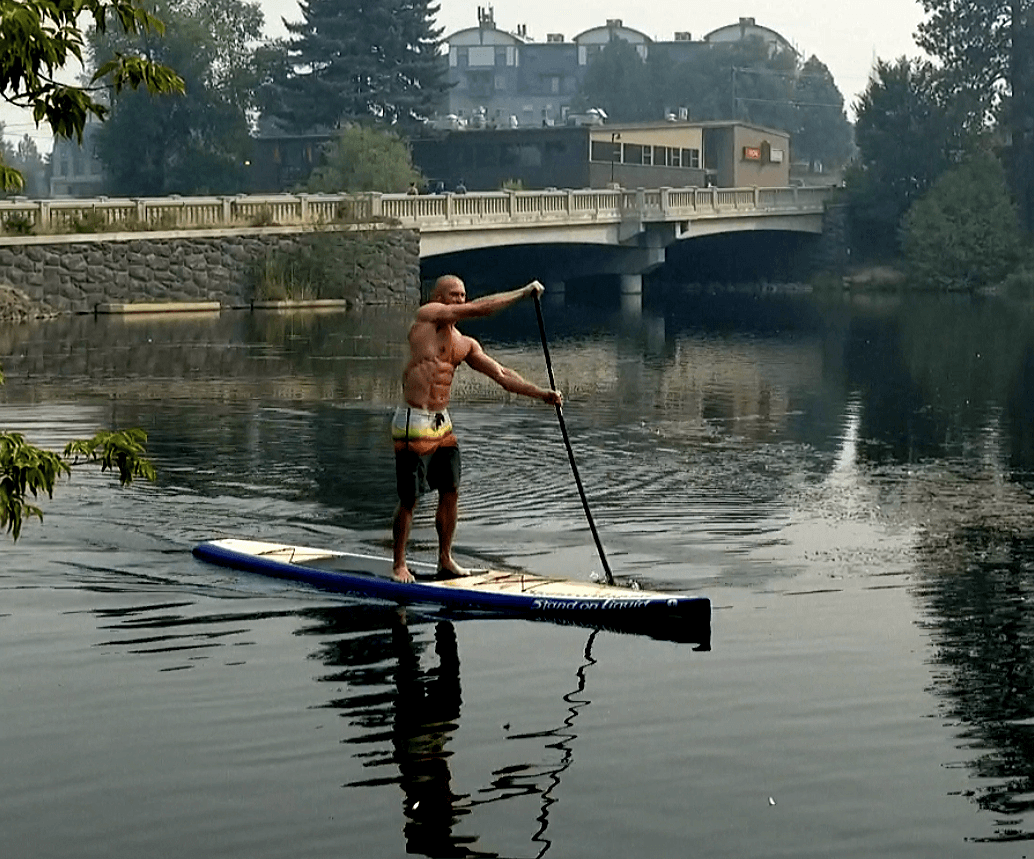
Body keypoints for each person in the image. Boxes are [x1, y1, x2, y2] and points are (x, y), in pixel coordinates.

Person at [391, 275, 562, 582]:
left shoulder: (465, 344)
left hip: (441, 423)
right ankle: (399, 565)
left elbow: (502, 375)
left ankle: (445, 559)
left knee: (451, 490)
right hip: (413, 420)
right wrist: (522, 292)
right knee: (410, 498)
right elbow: (479, 309)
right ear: (439, 298)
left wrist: (541, 394)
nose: (460, 300)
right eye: (453, 295)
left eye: (463, 295)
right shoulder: (427, 315)